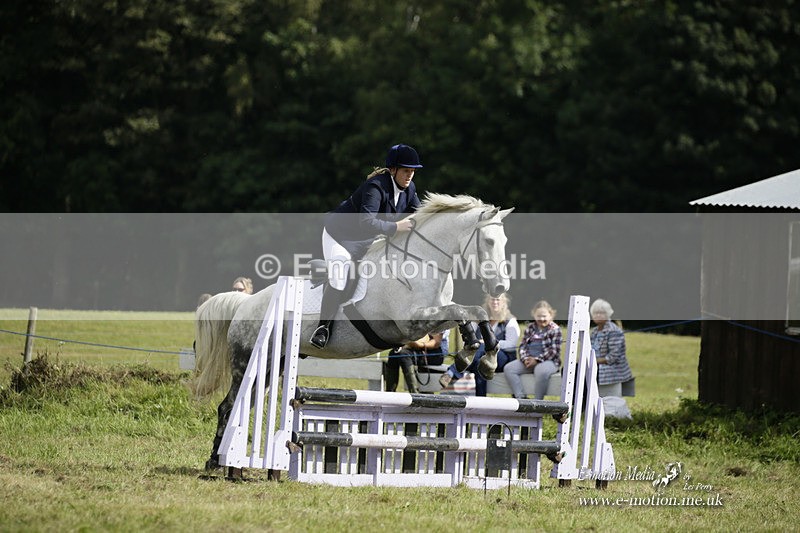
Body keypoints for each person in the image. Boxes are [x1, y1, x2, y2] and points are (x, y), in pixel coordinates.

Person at [309, 144, 423, 348]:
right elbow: (366, 222)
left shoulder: (410, 189)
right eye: (406, 170)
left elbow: (420, 216)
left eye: (413, 171)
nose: (410, 175)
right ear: (393, 170)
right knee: (340, 275)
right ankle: (322, 327)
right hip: (341, 235)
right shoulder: (376, 187)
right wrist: (397, 226)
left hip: (368, 238)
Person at [438, 294, 519, 397]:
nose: (495, 302)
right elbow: (471, 341)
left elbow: (511, 344)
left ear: (504, 302)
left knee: (480, 348)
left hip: (503, 357)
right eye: (492, 300)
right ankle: (481, 401)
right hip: (482, 358)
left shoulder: (510, 321)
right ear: (488, 302)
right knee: (479, 364)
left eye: (498, 300)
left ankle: (452, 372)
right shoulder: (480, 319)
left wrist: (489, 343)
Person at [503, 300, 562, 399]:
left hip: (548, 361)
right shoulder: (530, 328)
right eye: (538, 316)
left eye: (544, 316)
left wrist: (537, 360)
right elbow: (523, 346)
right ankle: (521, 397)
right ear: (534, 315)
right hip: (529, 360)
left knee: (541, 370)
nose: (541, 318)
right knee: (509, 368)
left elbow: (554, 351)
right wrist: (525, 358)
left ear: (551, 315)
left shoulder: (555, 329)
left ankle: (538, 402)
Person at [590, 298, 633, 397]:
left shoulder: (614, 331)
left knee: (591, 371)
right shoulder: (595, 331)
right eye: (596, 313)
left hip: (612, 366)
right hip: (596, 363)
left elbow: (613, 357)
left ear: (608, 314)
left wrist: (594, 361)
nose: (598, 315)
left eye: (601, 313)